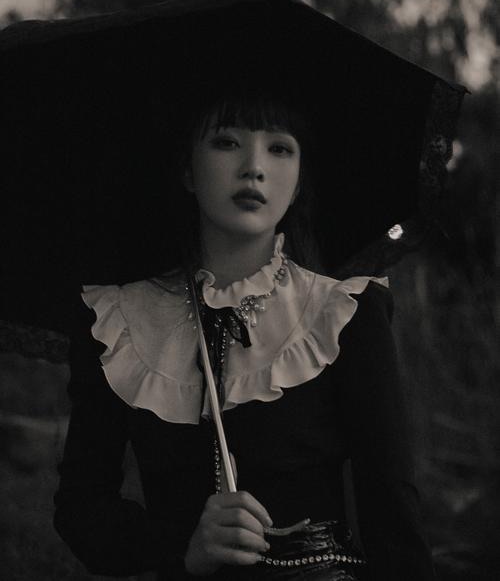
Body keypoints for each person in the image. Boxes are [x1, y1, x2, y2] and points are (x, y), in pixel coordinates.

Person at [53, 85, 438, 580]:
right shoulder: (119, 321)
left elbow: (393, 512)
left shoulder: (342, 312)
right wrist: (182, 545)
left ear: (298, 183)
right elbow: (81, 507)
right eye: (226, 142)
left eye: (279, 148)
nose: (254, 167)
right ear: (187, 171)